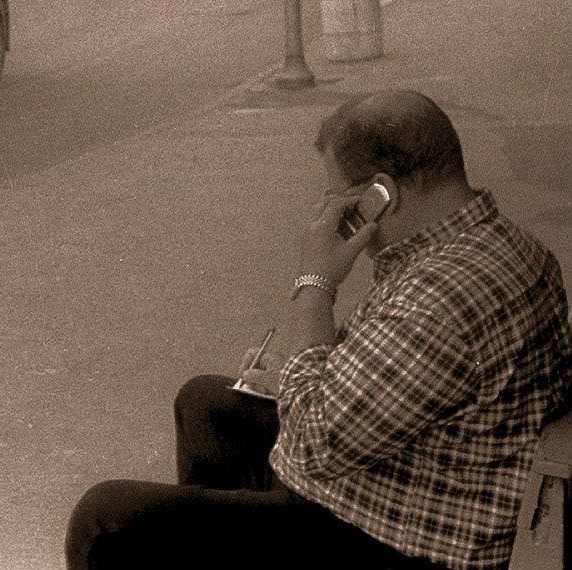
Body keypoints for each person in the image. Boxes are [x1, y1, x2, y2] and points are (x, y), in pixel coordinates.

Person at [65, 90, 572, 570]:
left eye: (338, 195)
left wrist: (315, 282)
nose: (331, 208)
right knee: (206, 403)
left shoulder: (439, 296)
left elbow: (312, 444)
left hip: (403, 542)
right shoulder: (503, 245)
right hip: (425, 481)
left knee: (105, 519)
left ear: (381, 194)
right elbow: (395, 379)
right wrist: (294, 375)